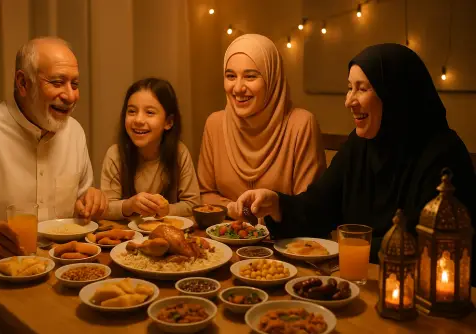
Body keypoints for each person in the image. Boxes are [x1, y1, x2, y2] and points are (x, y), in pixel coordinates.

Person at [228, 43, 476, 285]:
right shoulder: (359, 146)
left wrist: (345, 249)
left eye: (362, 89)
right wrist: (277, 204)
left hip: (419, 293)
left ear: (394, 95)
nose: (349, 101)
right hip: (356, 280)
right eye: (349, 88)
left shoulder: (443, 156)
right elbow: (319, 206)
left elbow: (422, 245)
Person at [0, 37, 107, 258]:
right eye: (57, 83)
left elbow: (82, 204)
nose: (70, 96)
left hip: (65, 268)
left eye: (74, 84)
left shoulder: (74, 132)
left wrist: (90, 202)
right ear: (23, 83)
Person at [197, 34, 326, 207]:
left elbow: (310, 206)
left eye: (250, 76)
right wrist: (233, 209)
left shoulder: (301, 125)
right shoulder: (215, 123)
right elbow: (204, 194)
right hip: (223, 232)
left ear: (272, 79)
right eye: (231, 76)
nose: (238, 88)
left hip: (285, 234)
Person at [100, 78, 200, 220]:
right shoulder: (115, 154)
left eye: (150, 113)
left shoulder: (179, 152)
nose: (139, 120)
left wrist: (167, 209)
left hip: (168, 234)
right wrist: (129, 205)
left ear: (169, 122)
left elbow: (193, 204)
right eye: (132, 111)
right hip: (128, 236)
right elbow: (105, 209)